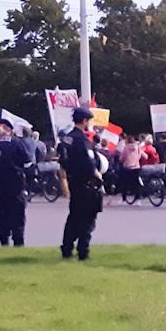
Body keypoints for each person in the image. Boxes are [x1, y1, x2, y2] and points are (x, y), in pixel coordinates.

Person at [60, 107, 102, 260]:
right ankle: (83, 251)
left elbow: (63, 160)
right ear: (84, 121)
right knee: (88, 219)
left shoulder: (67, 138)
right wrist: (99, 179)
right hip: (86, 184)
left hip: (74, 182)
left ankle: (66, 249)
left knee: (74, 217)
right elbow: (90, 163)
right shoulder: (82, 140)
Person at [0, 118, 27, 247]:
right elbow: (27, 162)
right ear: (9, 130)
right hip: (15, 185)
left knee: (2, 213)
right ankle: (18, 241)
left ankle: (4, 240)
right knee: (17, 213)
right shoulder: (15, 142)